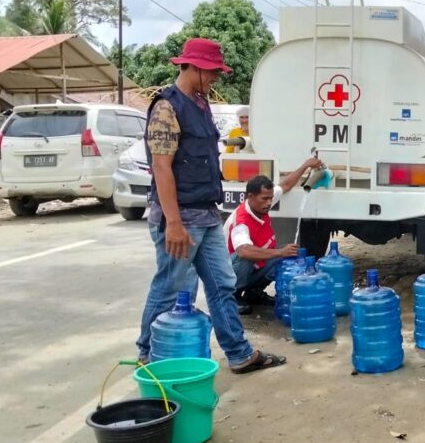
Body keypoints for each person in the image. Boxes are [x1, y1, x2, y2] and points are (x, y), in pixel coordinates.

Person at [136, 37, 285, 374]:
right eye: (213, 71)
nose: (216, 77)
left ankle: (238, 353)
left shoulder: (201, 104)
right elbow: (162, 167)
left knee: (223, 282)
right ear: (194, 67)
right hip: (180, 216)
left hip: (205, 212)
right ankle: (147, 354)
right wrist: (173, 222)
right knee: (170, 286)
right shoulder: (166, 107)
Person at [226, 160, 323, 315]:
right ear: (250, 196)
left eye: (271, 198)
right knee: (247, 257)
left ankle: (254, 292)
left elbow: (285, 185)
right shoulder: (242, 221)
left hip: (253, 266)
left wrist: (305, 166)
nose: (269, 203)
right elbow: (243, 251)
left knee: (287, 253)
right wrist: (279, 252)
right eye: (265, 199)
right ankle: (232, 296)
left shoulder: (261, 203)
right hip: (230, 271)